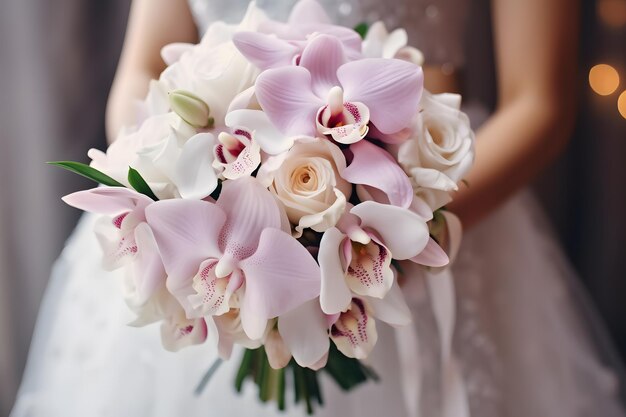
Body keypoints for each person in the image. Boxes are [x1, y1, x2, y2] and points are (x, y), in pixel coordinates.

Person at [10, 0, 626, 416]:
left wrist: (396, 233)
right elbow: (142, 72)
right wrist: (173, 196)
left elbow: (540, 102)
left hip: (427, 225)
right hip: (208, 237)